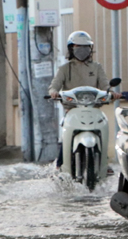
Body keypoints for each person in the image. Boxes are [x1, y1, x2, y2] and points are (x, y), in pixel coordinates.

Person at [49, 30, 121, 167]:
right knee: (66, 137)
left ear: (90, 49)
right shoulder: (64, 69)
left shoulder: (97, 67)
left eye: (85, 47)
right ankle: (60, 165)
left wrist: (112, 93)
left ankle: (104, 162)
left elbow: (105, 86)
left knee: (101, 130)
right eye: (78, 47)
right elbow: (54, 85)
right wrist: (53, 92)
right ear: (71, 48)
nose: (82, 50)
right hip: (72, 110)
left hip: (93, 109)